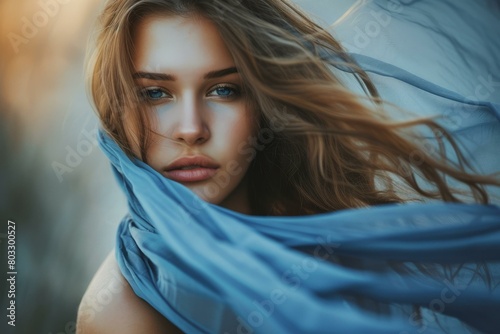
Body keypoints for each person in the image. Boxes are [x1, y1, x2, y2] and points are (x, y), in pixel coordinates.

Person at [77, 0, 500, 333]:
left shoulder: (341, 233)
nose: (191, 129)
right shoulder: (123, 310)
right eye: (154, 94)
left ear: (263, 103)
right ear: (117, 109)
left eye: (224, 89)